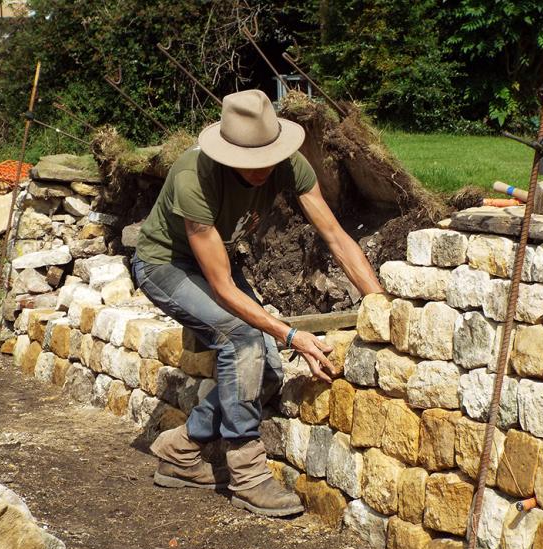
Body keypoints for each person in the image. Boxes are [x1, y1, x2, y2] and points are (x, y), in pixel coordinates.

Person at [131, 89, 383, 517]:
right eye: (251, 161)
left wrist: (382, 306)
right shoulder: (194, 176)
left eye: (268, 156)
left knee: (267, 372)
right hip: (167, 265)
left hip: (219, 265)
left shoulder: (287, 165)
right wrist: (290, 334)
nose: (263, 168)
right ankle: (247, 475)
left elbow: (336, 236)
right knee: (243, 340)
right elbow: (224, 289)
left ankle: (182, 449)